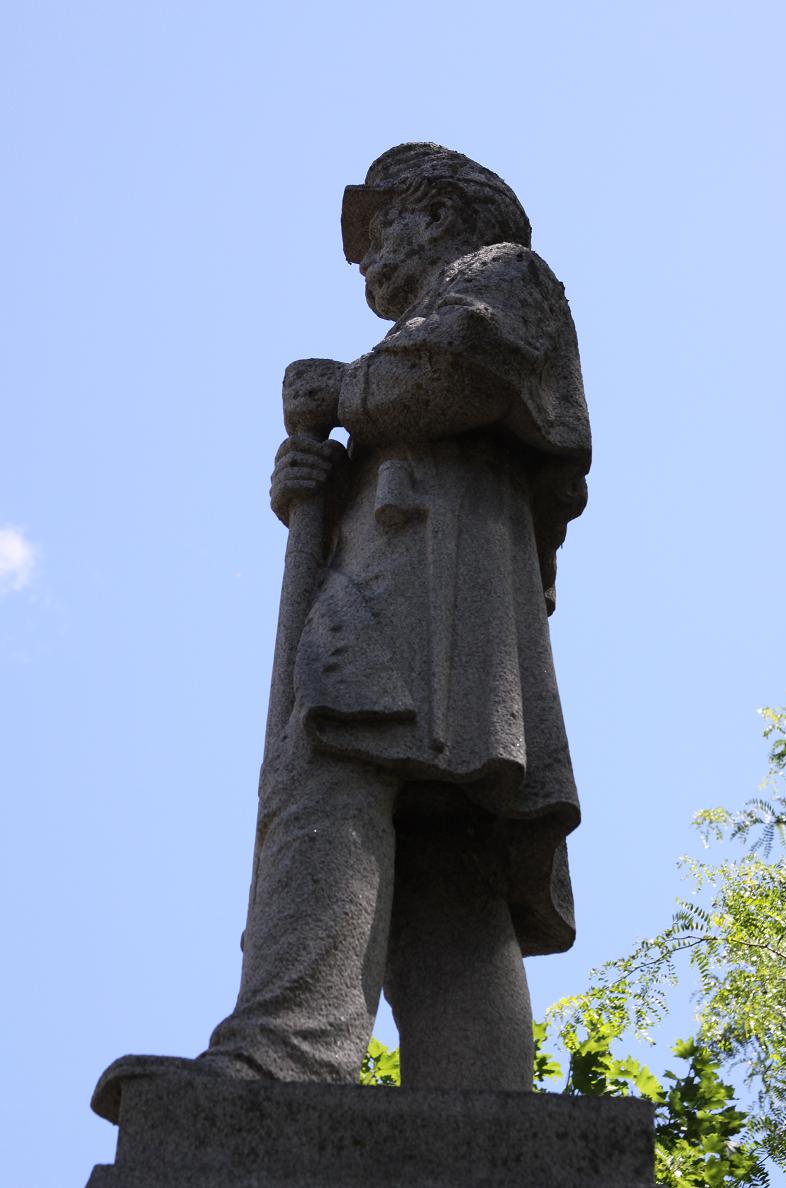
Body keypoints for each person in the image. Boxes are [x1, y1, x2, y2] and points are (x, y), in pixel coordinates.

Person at [92, 142, 591, 1122]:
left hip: (430, 592)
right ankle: (484, 1105)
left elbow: (469, 362)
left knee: (330, 768)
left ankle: (285, 1057)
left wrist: (341, 393)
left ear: (440, 211)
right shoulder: (432, 327)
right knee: (445, 868)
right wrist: (310, 495)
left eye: (382, 225)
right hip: (423, 584)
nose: (364, 258)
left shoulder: (501, 275)